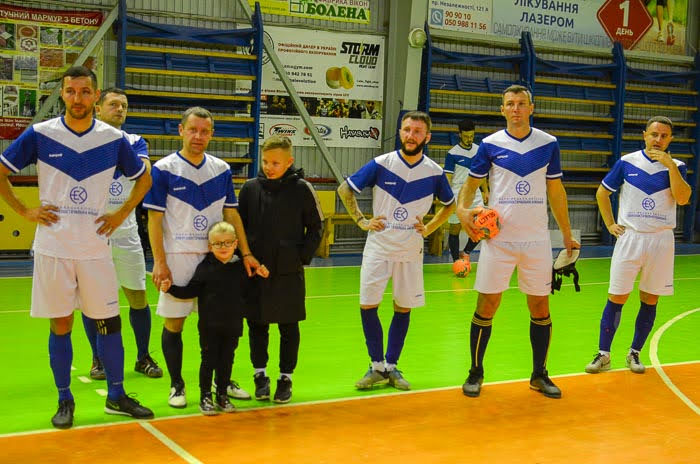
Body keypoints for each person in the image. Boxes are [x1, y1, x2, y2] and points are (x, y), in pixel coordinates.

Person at [0, 66, 154, 429]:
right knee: (62, 324)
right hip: (54, 246)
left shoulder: (112, 138)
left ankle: (116, 396)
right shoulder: (41, 134)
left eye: (85, 92)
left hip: (96, 247)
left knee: (109, 323)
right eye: (71, 92)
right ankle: (64, 398)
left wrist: (121, 214)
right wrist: (25, 210)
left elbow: (144, 179)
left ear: (95, 97)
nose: (78, 99)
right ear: (63, 95)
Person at [456, 84, 579, 399]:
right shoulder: (489, 145)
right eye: (510, 104)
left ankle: (539, 375)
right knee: (487, 303)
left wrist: (566, 233)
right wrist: (462, 210)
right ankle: (475, 372)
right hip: (499, 241)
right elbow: (471, 185)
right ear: (502, 109)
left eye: (521, 103)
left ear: (531, 108)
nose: (515, 109)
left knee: (540, 306)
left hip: (537, 240)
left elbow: (556, 191)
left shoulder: (549, 144)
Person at [144, 106, 260, 408]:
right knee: (175, 324)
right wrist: (159, 261)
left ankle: (223, 381)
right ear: (181, 130)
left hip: (218, 259)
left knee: (220, 325)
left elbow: (231, 213)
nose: (198, 136)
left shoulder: (220, 169)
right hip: (178, 258)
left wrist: (244, 253)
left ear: (212, 134)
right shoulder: (165, 169)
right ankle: (177, 385)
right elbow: (153, 220)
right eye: (193, 130)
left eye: (205, 131)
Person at [338, 111, 455, 391]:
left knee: (403, 307)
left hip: (410, 250)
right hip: (378, 247)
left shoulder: (434, 172)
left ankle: (391, 366)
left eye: (416, 131)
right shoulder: (382, 164)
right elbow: (345, 189)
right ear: (400, 132)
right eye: (406, 130)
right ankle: (376, 365)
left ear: (426, 137)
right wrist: (361, 221)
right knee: (368, 305)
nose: (410, 136)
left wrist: (430, 227)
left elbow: (449, 204)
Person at [585, 116, 690, 375]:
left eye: (664, 136)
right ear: (644, 135)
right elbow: (602, 192)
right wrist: (610, 224)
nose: (658, 139)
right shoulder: (627, 162)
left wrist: (670, 167)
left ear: (670, 140)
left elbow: (684, 198)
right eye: (654, 134)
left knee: (649, 299)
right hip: (631, 238)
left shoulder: (677, 166)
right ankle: (603, 353)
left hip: (661, 240)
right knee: (617, 296)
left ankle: (635, 352)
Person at [82, 87, 163, 381]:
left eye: (124, 106)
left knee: (138, 296)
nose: (120, 109)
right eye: (113, 104)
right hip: (91, 233)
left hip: (126, 230)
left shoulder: (135, 140)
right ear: (98, 109)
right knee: (93, 301)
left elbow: (142, 173)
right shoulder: (82, 140)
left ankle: (143, 357)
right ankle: (98, 359)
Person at [237, 135, 323, 403]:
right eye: (265, 162)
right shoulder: (250, 189)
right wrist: (246, 257)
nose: (269, 167)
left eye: (275, 162)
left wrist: (299, 259)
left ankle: (286, 377)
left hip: (288, 272)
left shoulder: (302, 189)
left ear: (289, 162)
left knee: (289, 327)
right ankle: (259, 375)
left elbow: (317, 227)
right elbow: (240, 227)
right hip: (255, 271)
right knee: (257, 324)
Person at [160, 222, 270, 415]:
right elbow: (190, 291)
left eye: (228, 243)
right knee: (208, 360)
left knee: (227, 360)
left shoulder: (240, 268)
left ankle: (222, 394)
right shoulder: (204, 268)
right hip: (210, 326)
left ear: (236, 244)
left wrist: (260, 276)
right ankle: (205, 396)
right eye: (218, 244)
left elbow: (250, 291)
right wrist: (170, 288)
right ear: (209, 247)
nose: (223, 247)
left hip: (233, 325)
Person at [443, 119, 488, 266]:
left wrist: (485, 191)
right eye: (466, 136)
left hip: (475, 195)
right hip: (457, 195)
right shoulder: (452, 153)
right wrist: (447, 197)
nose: (469, 139)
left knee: (483, 226)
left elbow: (481, 174)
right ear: (460, 134)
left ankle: (467, 253)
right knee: (455, 228)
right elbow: (448, 177)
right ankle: (456, 261)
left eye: (472, 136)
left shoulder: (479, 150)